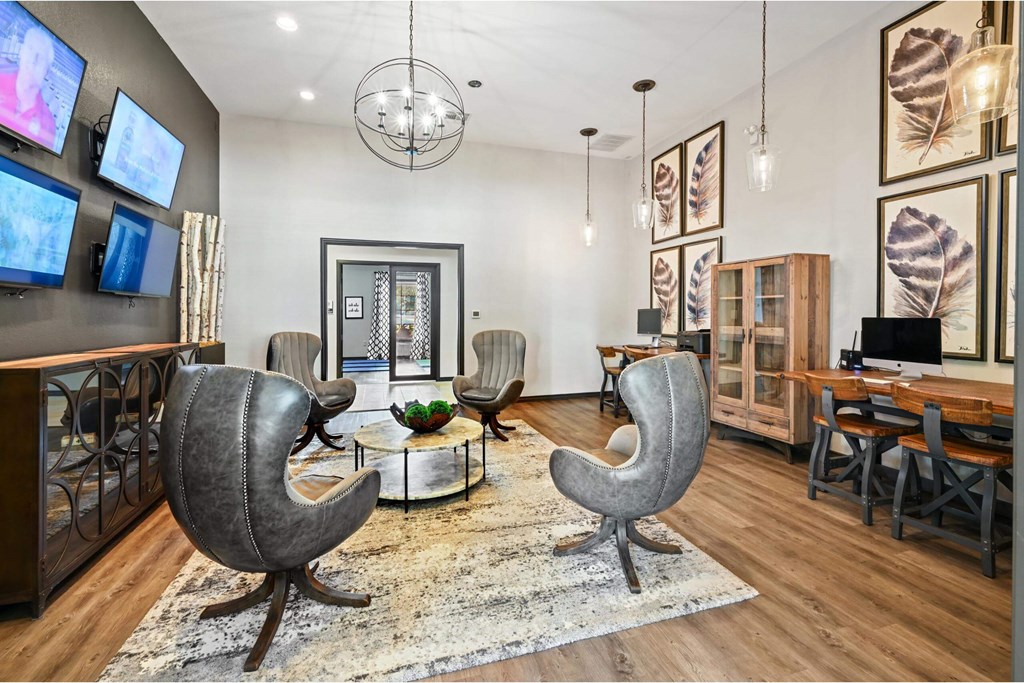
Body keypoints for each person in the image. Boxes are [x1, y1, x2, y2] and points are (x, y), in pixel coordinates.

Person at [0, 26, 56, 148]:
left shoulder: (48, 124)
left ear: (46, 71)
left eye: (40, 57)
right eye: (30, 49)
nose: (33, 60)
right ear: (22, 52)